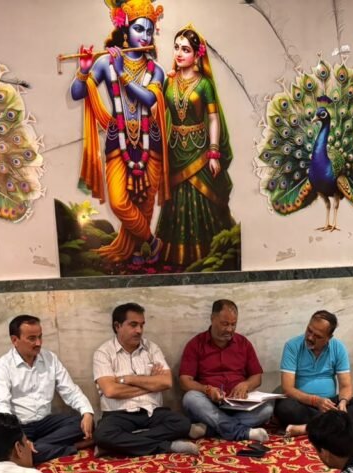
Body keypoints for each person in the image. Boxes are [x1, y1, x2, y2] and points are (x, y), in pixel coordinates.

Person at [70, 0, 167, 263]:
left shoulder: (157, 71)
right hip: (118, 140)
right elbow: (77, 93)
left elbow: (149, 99)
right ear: (125, 29)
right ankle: (152, 242)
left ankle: (137, 251)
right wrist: (84, 70)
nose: (144, 36)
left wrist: (123, 74)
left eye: (149, 30)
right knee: (119, 202)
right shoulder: (106, 63)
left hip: (151, 143)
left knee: (145, 204)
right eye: (139, 29)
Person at [155, 26, 238, 269]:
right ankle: (175, 257)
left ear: (197, 54)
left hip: (200, 151)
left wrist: (213, 152)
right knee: (177, 202)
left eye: (186, 49)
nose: (179, 53)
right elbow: (156, 112)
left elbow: (213, 118)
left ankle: (210, 254)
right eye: (176, 48)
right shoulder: (168, 81)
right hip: (175, 151)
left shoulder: (204, 84)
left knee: (202, 199)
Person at [93, 303, 197, 456]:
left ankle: (118, 445)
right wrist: (151, 382)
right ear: (117, 326)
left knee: (182, 423)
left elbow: (166, 382)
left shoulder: (152, 349)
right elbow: (111, 390)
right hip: (118, 414)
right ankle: (166, 446)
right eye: (133, 325)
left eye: (142, 325)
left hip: (152, 412)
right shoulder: (103, 353)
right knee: (103, 435)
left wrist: (129, 379)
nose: (139, 330)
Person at [0, 315, 95, 464]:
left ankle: (32, 449)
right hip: (19, 426)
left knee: (83, 423)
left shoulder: (50, 358)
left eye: (40, 337)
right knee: (4, 443)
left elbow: (70, 390)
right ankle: (71, 447)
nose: (38, 343)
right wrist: (20, 437)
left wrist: (87, 412)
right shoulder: (3, 365)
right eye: (32, 338)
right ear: (15, 340)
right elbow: (1, 406)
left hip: (46, 424)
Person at [179, 299, 271, 444]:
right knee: (190, 398)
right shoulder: (196, 344)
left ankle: (208, 430)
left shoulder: (243, 343)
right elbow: (185, 381)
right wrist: (207, 389)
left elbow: (257, 377)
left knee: (267, 409)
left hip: (239, 406)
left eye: (233, 324)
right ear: (212, 319)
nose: (229, 329)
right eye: (225, 324)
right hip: (209, 404)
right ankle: (242, 432)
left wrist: (246, 385)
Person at [274, 310, 353, 437]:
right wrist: (315, 401)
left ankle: (307, 428)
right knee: (285, 408)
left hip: (330, 404)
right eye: (309, 330)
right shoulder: (292, 346)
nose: (310, 337)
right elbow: (287, 389)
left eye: (318, 336)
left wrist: (343, 402)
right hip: (303, 403)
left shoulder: (338, 348)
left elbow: (345, 386)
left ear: (329, 338)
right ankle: (336, 423)